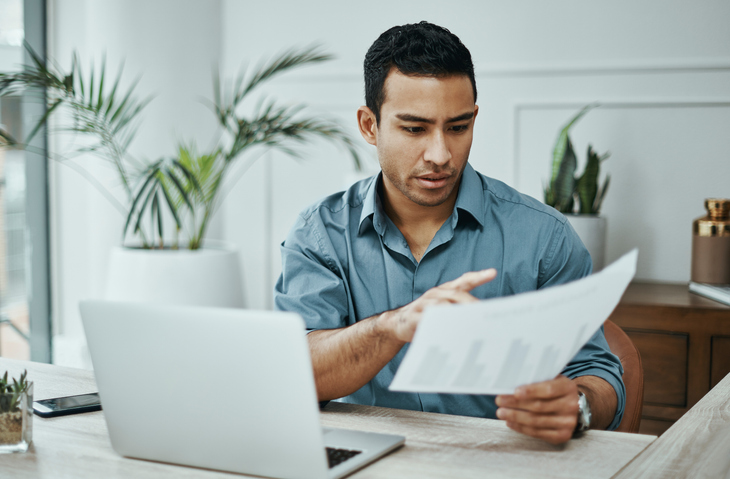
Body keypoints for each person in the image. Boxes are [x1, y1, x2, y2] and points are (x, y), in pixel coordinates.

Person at [275, 21, 625, 445]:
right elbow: (296, 373)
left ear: (474, 118)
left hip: (501, 465)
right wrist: (392, 327)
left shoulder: (543, 238)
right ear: (370, 126)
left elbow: (599, 375)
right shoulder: (320, 234)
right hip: (366, 464)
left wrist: (578, 406)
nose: (440, 154)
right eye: (415, 129)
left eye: (457, 127)